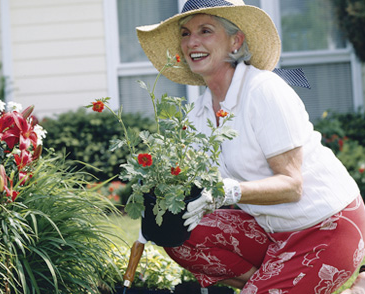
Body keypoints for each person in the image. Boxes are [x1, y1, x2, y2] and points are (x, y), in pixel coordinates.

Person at [133, 0, 365, 293]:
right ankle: (274, 281)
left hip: (326, 226)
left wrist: (229, 190)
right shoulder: (198, 114)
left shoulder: (264, 90)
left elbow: (292, 185)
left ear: (235, 41)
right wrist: (155, 198)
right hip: (271, 231)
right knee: (181, 236)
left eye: (206, 31)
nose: (192, 42)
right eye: (185, 33)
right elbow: (186, 182)